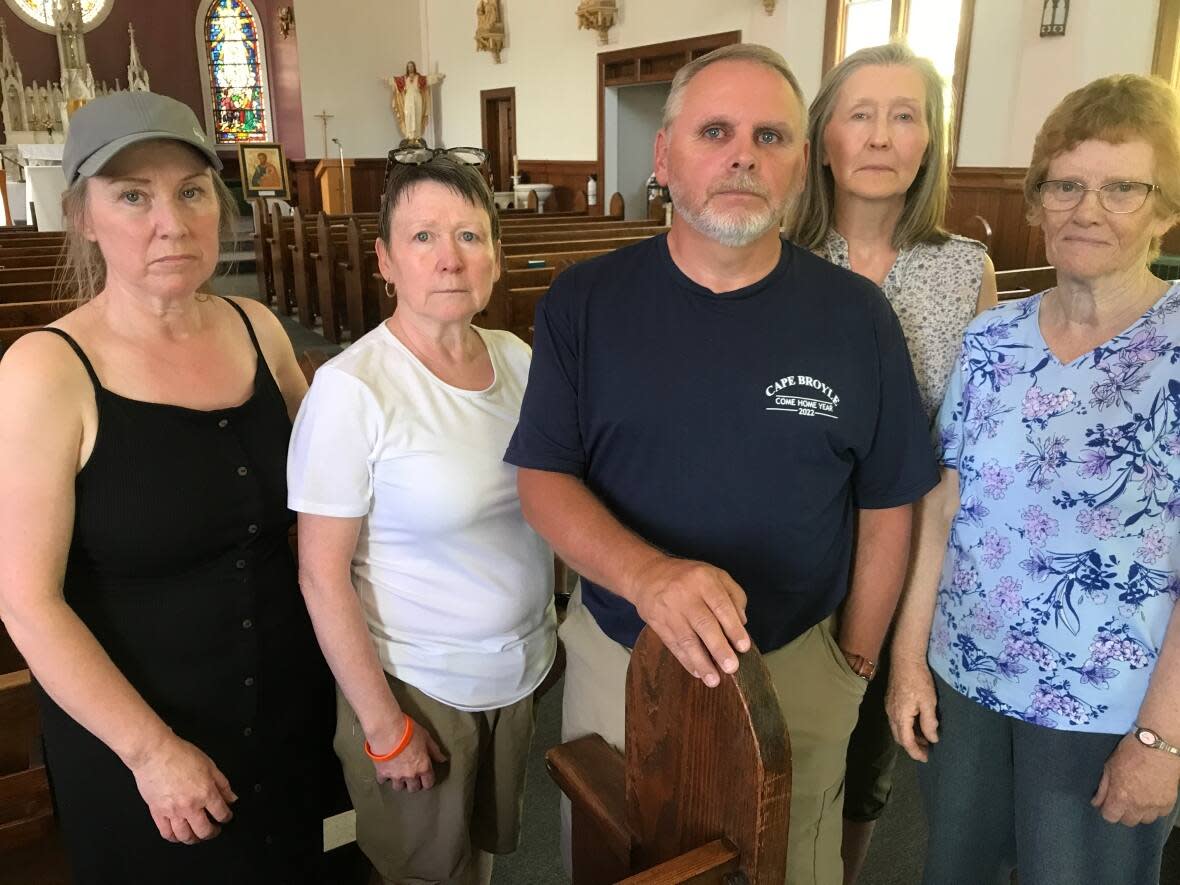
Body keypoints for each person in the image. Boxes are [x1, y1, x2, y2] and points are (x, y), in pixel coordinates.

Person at [504, 43, 939, 885]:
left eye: (772, 136)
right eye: (715, 130)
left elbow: (890, 501)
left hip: (800, 662)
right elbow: (543, 479)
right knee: (616, 851)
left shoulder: (858, 317)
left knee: (790, 863)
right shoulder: (584, 301)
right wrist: (648, 575)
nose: (744, 153)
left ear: (801, 168)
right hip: (625, 653)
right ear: (664, 157)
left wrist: (852, 660)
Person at [0, 91, 335, 883]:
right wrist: (151, 753)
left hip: (289, 711)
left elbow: (328, 493)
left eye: (190, 190)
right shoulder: (45, 372)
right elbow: (25, 600)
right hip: (141, 740)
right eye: (132, 196)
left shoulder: (258, 327)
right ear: (83, 215)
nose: (171, 222)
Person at [886, 73, 1180, 885]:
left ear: (1166, 209)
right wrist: (909, 659)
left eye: (1123, 187)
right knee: (956, 871)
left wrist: (1163, 739)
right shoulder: (992, 339)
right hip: (966, 680)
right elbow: (940, 508)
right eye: (1066, 185)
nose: (1088, 208)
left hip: (1108, 707)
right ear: (1037, 201)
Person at [287, 151, 556, 885]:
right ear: (384, 259)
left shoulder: (518, 359)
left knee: (481, 859)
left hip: (515, 673)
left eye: (470, 236)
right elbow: (320, 574)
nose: (449, 259)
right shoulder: (353, 389)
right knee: (424, 874)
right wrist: (383, 725)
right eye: (423, 237)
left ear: (495, 257)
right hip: (418, 687)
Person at [786, 42, 998, 883]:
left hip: (905, 554)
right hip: (792, 546)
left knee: (865, 765)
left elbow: (969, 439)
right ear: (824, 139)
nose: (880, 136)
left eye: (904, 116)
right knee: (779, 756)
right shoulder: (776, 253)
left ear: (928, 143)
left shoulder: (963, 268)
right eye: (859, 114)